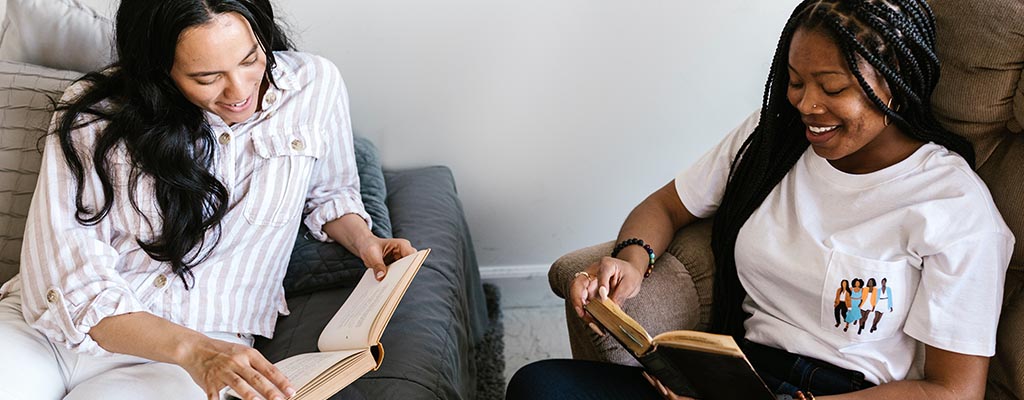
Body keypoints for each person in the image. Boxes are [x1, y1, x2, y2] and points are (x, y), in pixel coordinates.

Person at [507, 0, 1013, 399]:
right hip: (738, 373)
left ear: (896, 83)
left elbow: (952, 391)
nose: (807, 105)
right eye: (795, 82)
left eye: (832, 88)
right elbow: (664, 206)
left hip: (847, 395)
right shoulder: (775, 140)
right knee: (540, 385)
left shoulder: (952, 208)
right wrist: (633, 260)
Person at [0, 1, 415, 399]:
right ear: (161, 71)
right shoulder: (94, 113)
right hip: (50, 333)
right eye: (207, 77)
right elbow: (67, 279)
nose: (239, 90)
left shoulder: (313, 86)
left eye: (251, 58)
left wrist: (366, 242)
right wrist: (190, 349)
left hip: (189, 355)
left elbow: (329, 193)